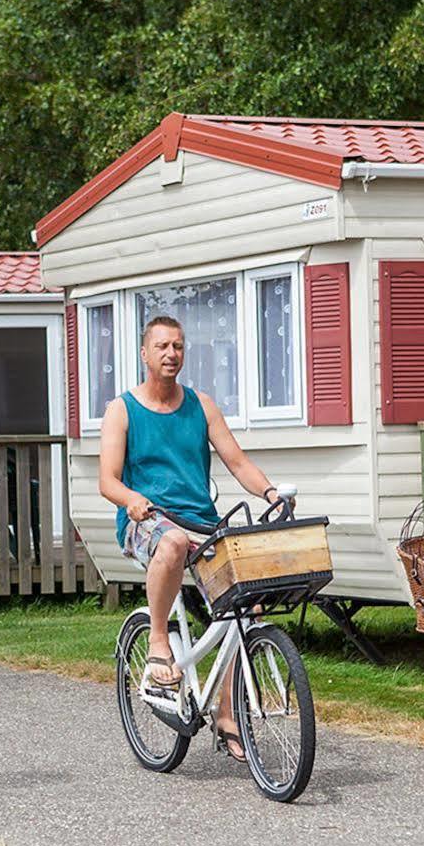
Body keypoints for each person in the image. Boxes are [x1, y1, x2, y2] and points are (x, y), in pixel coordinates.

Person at [98, 315, 282, 759]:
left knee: (248, 602)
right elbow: (108, 480)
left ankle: (226, 711)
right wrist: (131, 500)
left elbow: (237, 462)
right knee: (173, 542)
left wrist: (271, 493)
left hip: (202, 521)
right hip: (149, 520)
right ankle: (159, 640)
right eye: (161, 346)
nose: (170, 354)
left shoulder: (201, 405)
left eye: (178, 346)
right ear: (145, 354)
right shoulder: (122, 409)